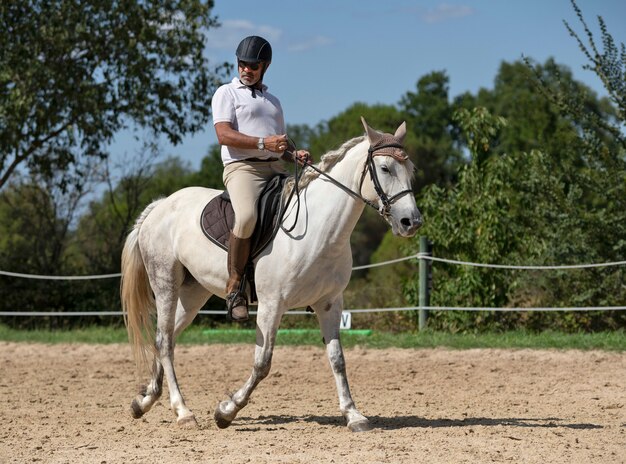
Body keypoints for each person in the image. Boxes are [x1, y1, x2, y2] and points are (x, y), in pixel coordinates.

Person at [211, 35, 311, 322]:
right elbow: (223, 135)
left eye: (253, 65)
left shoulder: (273, 102)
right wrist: (261, 144)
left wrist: (294, 154)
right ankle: (235, 288)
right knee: (246, 218)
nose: (246, 69)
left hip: (274, 170)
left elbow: (279, 144)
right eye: (243, 64)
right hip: (242, 169)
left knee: (305, 209)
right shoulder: (226, 93)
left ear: (265, 66)